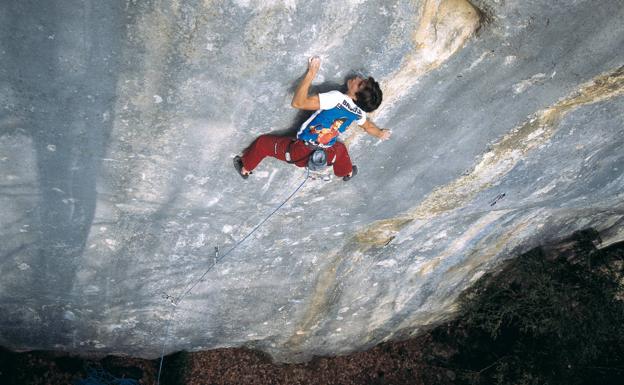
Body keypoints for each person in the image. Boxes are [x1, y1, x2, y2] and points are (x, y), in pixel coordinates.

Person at [234, 56, 391, 181]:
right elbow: (369, 127)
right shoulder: (359, 113)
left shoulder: (336, 98)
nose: (357, 78)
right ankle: (347, 173)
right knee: (341, 150)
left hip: (299, 152)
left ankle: (245, 168)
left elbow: (298, 102)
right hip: (328, 154)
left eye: (359, 83)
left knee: (263, 144)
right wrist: (381, 134)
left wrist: (311, 73)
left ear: (356, 96)